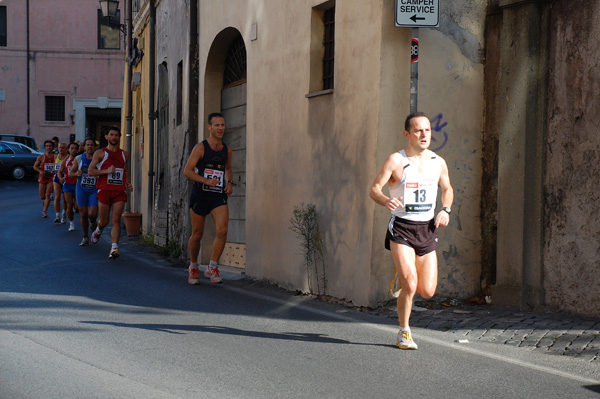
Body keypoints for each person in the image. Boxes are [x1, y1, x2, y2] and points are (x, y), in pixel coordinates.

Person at [369, 112, 453, 350]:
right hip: (402, 228)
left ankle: (404, 277)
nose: (424, 134)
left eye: (427, 130)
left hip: (427, 228)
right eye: (418, 130)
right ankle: (403, 332)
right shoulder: (396, 161)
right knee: (411, 285)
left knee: (427, 291)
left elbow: (447, 188)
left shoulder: (438, 162)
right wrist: (386, 200)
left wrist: (445, 209)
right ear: (407, 134)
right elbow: (374, 189)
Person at [183, 112, 233, 285]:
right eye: (217, 125)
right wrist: (205, 180)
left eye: (223, 125)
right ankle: (193, 266)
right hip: (201, 195)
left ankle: (212, 267)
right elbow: (187, 171)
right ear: (209, 127)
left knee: (223, 230)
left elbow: (227, 168)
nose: (221, 128)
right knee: (197, 234)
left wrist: (230, 182)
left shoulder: (227, 150)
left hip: (218, 195)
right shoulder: (201, 148)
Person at [88, 127, 133, 259]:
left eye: (116, 135)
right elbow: (91, 171)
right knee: (104, 221)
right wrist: (106, 172)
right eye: (111, 135)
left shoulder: (125, 154)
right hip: (104, 190)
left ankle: (114, 248)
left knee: (116, 219)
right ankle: (98, 229)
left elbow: (125, 170)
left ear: (119, 137)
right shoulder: (100, 153)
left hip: (119, 190)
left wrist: (128, 181)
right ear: (107, 137)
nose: (114, 137)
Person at [70, 137, 99, 246]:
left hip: (94, 189)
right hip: (81, 188)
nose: (90, 147)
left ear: (95, 147)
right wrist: (77, 174)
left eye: (92, 145)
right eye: (88, 145)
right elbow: (70, 173)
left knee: (92, 213)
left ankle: (92, 222)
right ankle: (85, 237)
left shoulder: (99, 159)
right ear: (84, 147)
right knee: (83, 213)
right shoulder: (78, 158)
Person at [58, 142, 79, 232]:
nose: (73, 150)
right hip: (68, 185)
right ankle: (71, 223)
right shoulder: (65, 161)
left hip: (78, 185)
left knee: (77, 207)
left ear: (78, 150)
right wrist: (60, 178)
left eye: (75, 148)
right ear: (68, 150)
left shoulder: (80, 160)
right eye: (72, 148)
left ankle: (67, 214)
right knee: (69, 205)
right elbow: (59, 172)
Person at [33, 140, 56, 218]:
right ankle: (45, 201)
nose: (48, 147)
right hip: (43, 177)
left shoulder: (55, 157)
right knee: (42, 196)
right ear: (45, 147)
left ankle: (44, 211)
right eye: (47, 146)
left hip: (51, 177)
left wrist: (54, 169)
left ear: (53, 147)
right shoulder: (41, 157)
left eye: (50, 146)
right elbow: (34, 166)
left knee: (48, 194)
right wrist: (40, 171)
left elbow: (58, 165)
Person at [52, 143, 69, 223]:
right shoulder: (56, 156)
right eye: (59, 148)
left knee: (64, 199)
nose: (61, 149)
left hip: (66, 178)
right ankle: (57, 215)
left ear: (66, 149)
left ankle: (64, 213)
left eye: (63, 148)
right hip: (57, 177)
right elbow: (54, 165)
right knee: (57, 197)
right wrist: (53, 169)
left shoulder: (68, 157)